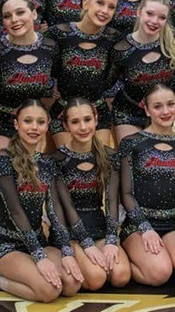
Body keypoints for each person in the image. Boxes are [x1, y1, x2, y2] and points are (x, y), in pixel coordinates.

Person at [0, 100, 83, 302]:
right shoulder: (3, 159)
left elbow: (54, 211)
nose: (34, 127)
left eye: (40, 122)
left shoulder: (46, 162)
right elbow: (15, 211)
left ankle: (32, 266)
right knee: (48, 291)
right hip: (6, 245)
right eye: (28, 121)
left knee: (72, 284)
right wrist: (39, 257)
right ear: (17, 124)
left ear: (47, 125)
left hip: (37, 240)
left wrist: (66, 250)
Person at [119, 84, 175, 286]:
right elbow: (126, 193)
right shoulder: (131, 143)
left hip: (172, 223)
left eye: (170, 104)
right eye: (158, 106)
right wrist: (144, 227)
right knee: (159, 274)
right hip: (139, 225)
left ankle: (164, 255)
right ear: (147, 109)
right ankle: (129, 259)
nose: (165, 111)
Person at [53, 97, 131, 289]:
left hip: (98, 227)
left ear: (96, 119)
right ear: (65, 125)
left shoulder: (110, 156)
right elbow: (62, 209)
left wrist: (112, 239)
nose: (83, 127)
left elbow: (112, 201)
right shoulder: (57, 160)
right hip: (69, 232)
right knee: (96, 279)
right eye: (75, 122)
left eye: (87, 119)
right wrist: (85, 244)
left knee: (121, 276)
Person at [0, 0, 59, 162]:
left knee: (25, 176)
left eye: (20, 13)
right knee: (6, 167)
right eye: (7, 16)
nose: (14, 20)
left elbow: (54, 83)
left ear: (34, 14)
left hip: (28, 123)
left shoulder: (50, 47)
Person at [48, 0, 120, 147]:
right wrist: (50, 84)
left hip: (97, 111)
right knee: (71, 162)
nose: (104, 10)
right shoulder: (59, 34)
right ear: (86, 4)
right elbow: (42, 60)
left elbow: (113, 76)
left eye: (111, 7)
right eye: (100, 3)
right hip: (63, 111)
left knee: (101, 164)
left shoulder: (113, 39)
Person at [108, 0, 175, 142]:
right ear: (139, 12)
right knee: (131, 154)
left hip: (161, 113)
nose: (154, 21)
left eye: (161, 17)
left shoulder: (170, 48)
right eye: (150, 14)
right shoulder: (121, 49)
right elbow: (108, 85)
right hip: (128, 112)